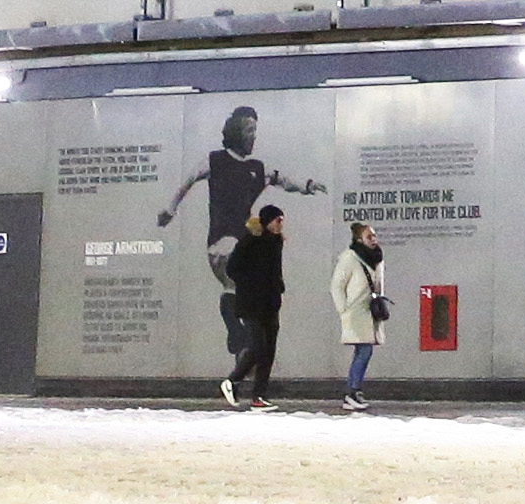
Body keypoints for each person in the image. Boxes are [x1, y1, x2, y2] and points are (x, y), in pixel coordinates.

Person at [160, 106, 326, 392]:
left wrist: (308, 186)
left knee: (238, 289)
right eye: (249, 130)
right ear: (235, 131)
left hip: (242, 245)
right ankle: (240, 337)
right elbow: (187, 181)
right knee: (236, 271)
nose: (253, 137)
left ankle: (243, 346)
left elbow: (284, 181)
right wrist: (169, 210)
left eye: (255, 131)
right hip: (222, 241)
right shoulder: (215, 161)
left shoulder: (257, 169)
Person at [223, 204, 291, 407]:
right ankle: (232, 381)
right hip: (251, 303)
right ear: (267, 221)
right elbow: (232, 268)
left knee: (269, 349)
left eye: (282, 221)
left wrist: (277, 286)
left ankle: (258, 396)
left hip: (270, 303)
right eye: (277, 220)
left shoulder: (276, 242)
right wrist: (252, 283)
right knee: (258, 346)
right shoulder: (250, 241)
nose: (280, 225)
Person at [330, 220, 391, 410]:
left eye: (374, 235)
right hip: (356, 311)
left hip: (370, 311)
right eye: (369, 236)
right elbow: (336, 286)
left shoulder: (377, 257)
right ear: (359, 239)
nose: (374, 239)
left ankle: (354, 391)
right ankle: (352, 392)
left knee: (364, 350)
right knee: (365, 350)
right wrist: (343, 309)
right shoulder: (349, 258)